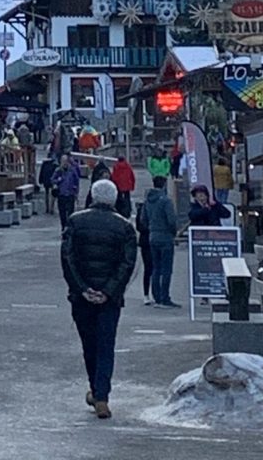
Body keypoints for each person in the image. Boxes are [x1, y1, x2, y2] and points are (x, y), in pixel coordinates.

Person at [61, 178, 138, 420]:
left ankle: (96, 390)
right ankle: (101, 395)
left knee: (89, 344)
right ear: (114, 199)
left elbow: (68, 259)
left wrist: (82, 288)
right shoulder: (125, 227)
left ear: (92, 197)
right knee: (106, 345)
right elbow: (127, 264)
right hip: (110, 298)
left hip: (81, 296)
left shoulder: (75, 221)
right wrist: (108, 291)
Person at [140, 175, 180, 307]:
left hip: (152, 237)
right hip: (165, 237)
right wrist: (174, 232)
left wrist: (151, 228)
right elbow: (171, 220)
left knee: (155, 268)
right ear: (164, 185)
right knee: (166, 269)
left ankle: (156, 296)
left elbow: (143, 220)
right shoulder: (166, 201)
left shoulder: (148, 201)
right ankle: (165, 297)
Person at [55, 153, 81, 229]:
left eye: (66, 161)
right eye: (63, 161)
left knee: (70, 213)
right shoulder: (58, 170)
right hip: (61, 194)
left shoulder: (72, 171)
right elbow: (52, 179)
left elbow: (77, 180)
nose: (64, 163)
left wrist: (76, 191)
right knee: (62, 214)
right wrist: (58, 180)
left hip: (70, 194)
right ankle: (63, 227)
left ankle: (69, 228)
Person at [110, 153, 136, 219]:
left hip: (119, 185)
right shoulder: (128, 166)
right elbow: (132, 176)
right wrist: (132, 185)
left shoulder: (116, 167)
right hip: (127, 185)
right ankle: (128, 211)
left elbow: (114, 177)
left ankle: (120, 211)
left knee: (119, 199)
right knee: (127, 199)